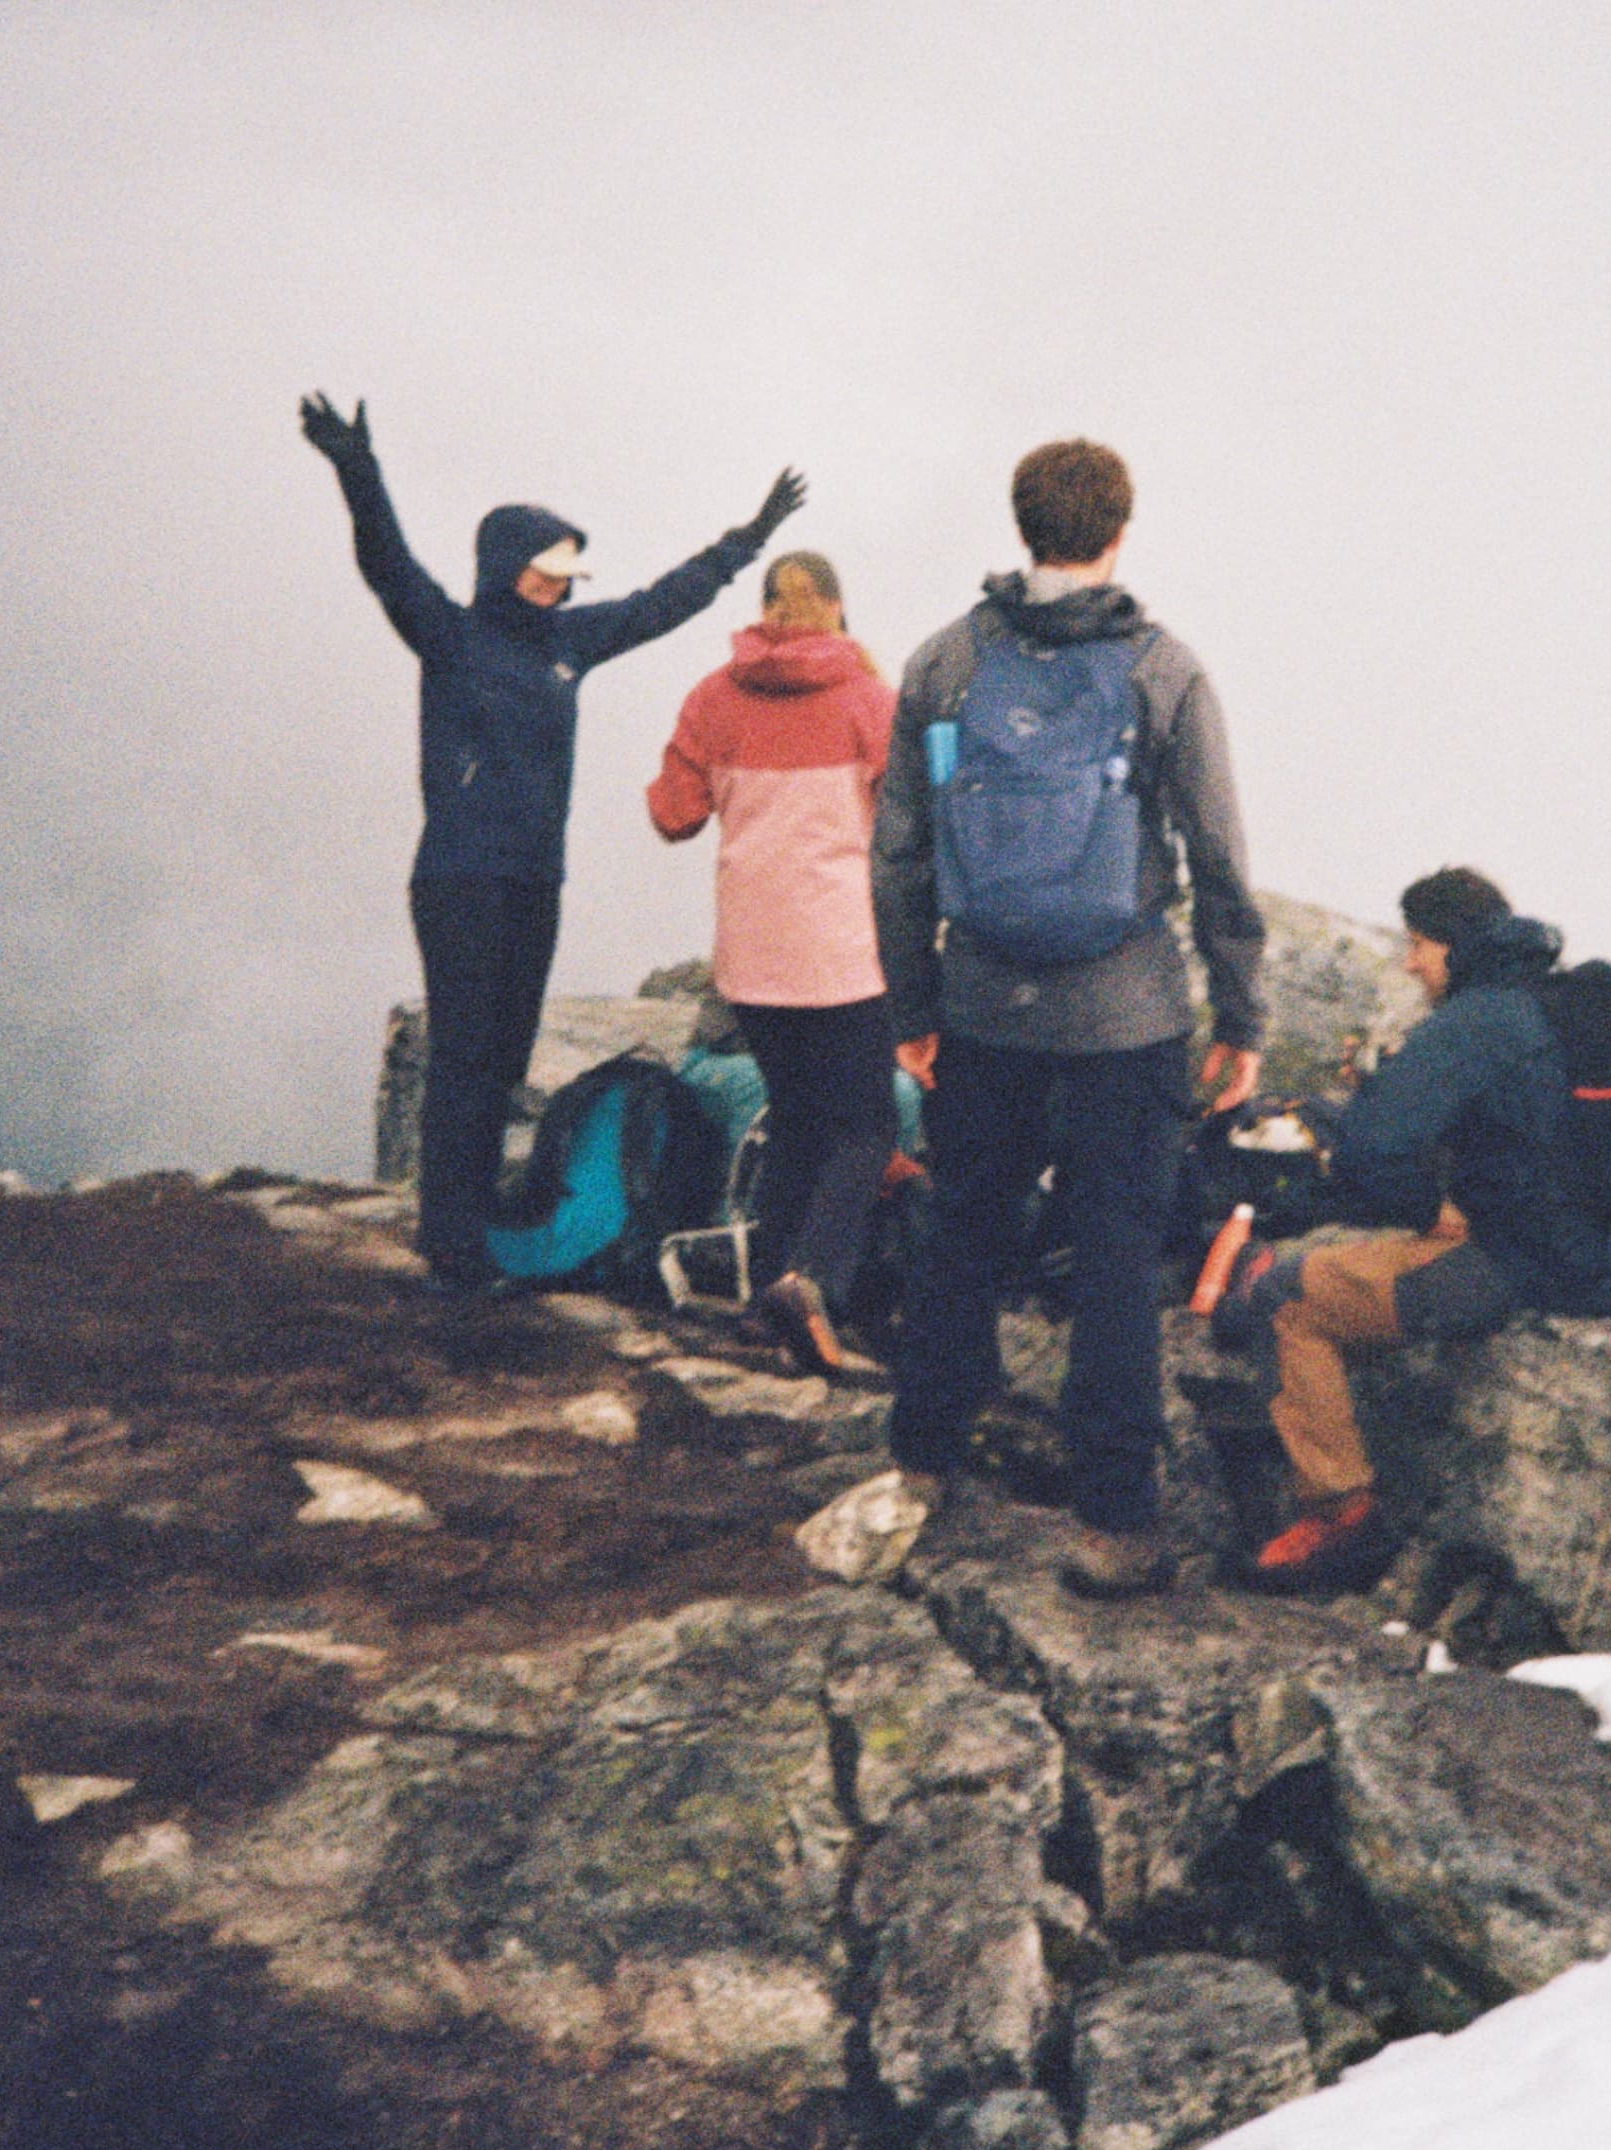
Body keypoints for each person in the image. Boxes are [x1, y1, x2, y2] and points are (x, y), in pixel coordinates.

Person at [872, 437, 1265, 1599]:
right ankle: (1114, 1522)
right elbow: (1219, 859)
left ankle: (924, 1459)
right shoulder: (1166, 671)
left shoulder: (945, 663)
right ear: (1119, 531)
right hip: (1126, 1020)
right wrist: (1241, 1014)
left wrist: (913, 1003)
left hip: (985, 1007)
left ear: (1021, 524)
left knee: (962, 1233)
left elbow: (897, 852)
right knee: (1114, 1259)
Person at [299, 392, 805, 1292]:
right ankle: (450, 1242)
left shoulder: (572, 638)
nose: (558, 581)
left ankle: (474, 1225)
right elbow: (387, 565)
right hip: (460, 879)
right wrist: (356, 470)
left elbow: (661, 604)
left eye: (564, 569)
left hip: (535, 879)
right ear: (506, 565)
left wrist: (747, 540)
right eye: (543, 566)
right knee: (462, 1056)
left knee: (504, 1054)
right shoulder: (451, 635)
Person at [1214, 865, 1611, 1592]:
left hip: (1525, 1266)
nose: (1409, 963)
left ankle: (1340, 1518)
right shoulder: (1564, 1004)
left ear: (1455, 946)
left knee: (1287, 1298)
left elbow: (1369, 1148)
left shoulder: (1477, 1019)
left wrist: (1424, 1211)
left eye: (1419, 944)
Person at [648, 549, 899, 1373]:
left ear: (764, 612)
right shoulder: (869, 700)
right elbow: (910, 827)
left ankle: (765, 1311)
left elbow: (673, 815)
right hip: (840, 954)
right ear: (837, 609)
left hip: (751, 961)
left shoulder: (712, 699)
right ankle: (811, 1283)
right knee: (864, 1127)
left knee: (795, 1122)